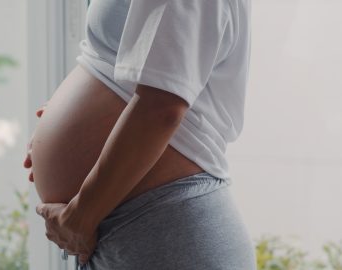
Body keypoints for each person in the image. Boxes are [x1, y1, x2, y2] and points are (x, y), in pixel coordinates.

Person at [24, 0, 256, 269]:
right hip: (142, 230)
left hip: (166, 234)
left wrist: (80, 218)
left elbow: (161, 108)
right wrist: (66, 117)